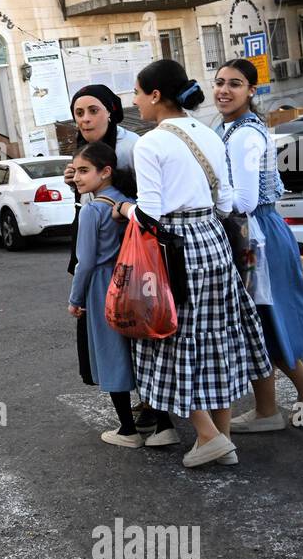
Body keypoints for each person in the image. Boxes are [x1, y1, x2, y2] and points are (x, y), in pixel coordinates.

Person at [110, 59, 273, 467]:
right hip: (213, 240)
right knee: (218, 336)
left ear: (155, 95)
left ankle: (207, 435)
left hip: (174, 246)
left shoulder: (151, 143)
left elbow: (149, 212)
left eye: (137, 92)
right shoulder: (209, 133)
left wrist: (123, 209)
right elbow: (226, 201)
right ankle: (222, 439)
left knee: (169, 337)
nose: (135, 101)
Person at [213, 59, 303, 429]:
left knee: (257, 319)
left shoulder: (244, 135)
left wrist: (209, 197)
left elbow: (245, 201)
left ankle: (284, 400)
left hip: (255, 235)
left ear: (252, 90)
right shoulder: (236, 129)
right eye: (219, 82)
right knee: (261, 317)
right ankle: (287, 398)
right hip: (259, 232)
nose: (223, 90)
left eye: (234, 84)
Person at [66, 143, 149, 447]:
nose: (76, 177)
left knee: (112, 352)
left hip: (104, 285)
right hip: (134, 280)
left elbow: (85, 262)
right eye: (75, 171)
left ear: (106, 172)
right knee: (139, 349)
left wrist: (75, 299)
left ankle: (128, 430)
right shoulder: (126, 202)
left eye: (84, 170)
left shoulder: (91, 209)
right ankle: (159, 419)